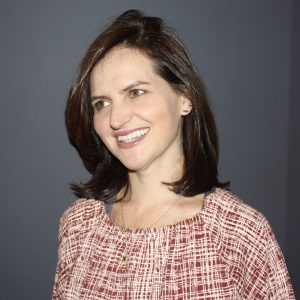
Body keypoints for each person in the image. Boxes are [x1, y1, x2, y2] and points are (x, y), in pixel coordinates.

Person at [52, 9, 295, 299]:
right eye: (102, 103)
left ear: (184, 98)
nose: (115, 119)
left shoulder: (238, 233)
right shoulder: (79, 226)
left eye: (136, 93)